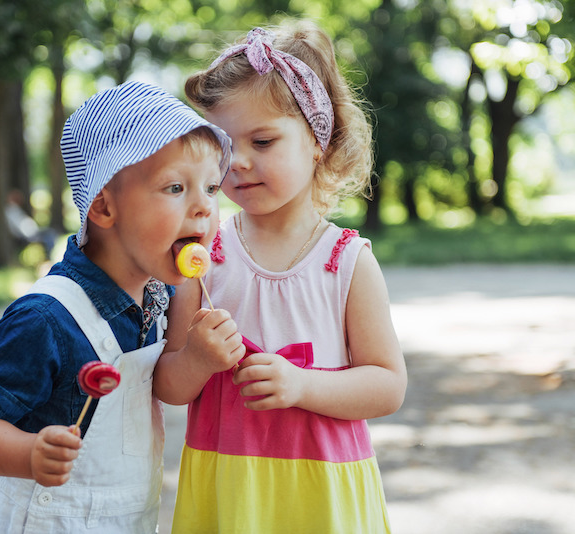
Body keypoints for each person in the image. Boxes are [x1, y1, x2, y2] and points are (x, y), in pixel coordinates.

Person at [0, 81, 241, 534]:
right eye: (176, 187)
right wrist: (29, 454)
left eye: (211, 187)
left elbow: (167, 386)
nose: (204, 207)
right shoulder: (45, 318)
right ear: (104, 207)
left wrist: (198, 359)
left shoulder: (156, 297)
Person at [153, 21, 407, 533]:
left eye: (263, 141)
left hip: (321, 495)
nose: (240, 162)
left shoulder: (346, 262)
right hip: (229, 490)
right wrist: (198, 359)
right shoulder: (203, 258)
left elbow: (387, 385)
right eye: (225, 146)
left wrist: (301, 385)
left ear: (318, 140)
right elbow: (169, 385)